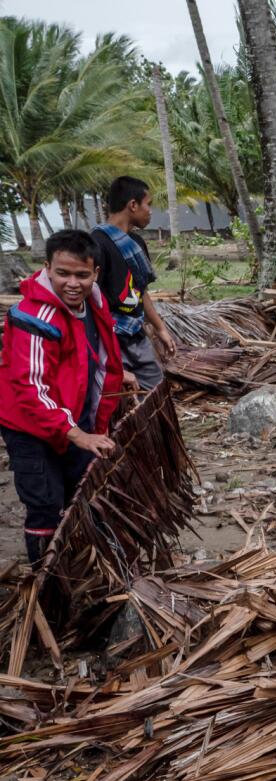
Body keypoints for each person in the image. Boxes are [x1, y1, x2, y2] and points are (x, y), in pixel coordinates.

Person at [0, 231, 127, 564]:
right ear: (47, 268)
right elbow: (31, 388)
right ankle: (45, 586)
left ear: (95, 274)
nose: (73, 283)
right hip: (28, 424)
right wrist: (79, 435)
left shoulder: (94, 303)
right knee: (44, 504)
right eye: (63, 273)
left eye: (82, 275)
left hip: (71, 416)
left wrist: (117, 375)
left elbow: (90, 352)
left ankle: (79, 567)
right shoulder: (34, 317)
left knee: (80, 493)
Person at [91, 176, 178, 390]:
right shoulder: (96, 244)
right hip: (110, 339)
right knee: (118, 401)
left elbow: (141, 291)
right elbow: (90, 299)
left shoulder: (136, 244)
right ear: (133, 205)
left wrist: (161, 329)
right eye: (148, 204)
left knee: (156, 391)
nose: (150, 211)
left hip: (135, 334)